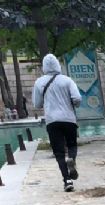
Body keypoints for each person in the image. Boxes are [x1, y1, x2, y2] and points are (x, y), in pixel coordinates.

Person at [32, 53, 82, 192]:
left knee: (59, 152)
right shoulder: (67, 80)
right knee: (72, 145)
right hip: (69, 119)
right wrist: (72, 104)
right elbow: (77, 98)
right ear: (57, 65)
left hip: (52, 121)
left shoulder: (39, 82)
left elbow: (37, 104)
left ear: (44, 67)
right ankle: (71, 159)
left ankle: (67, 180)